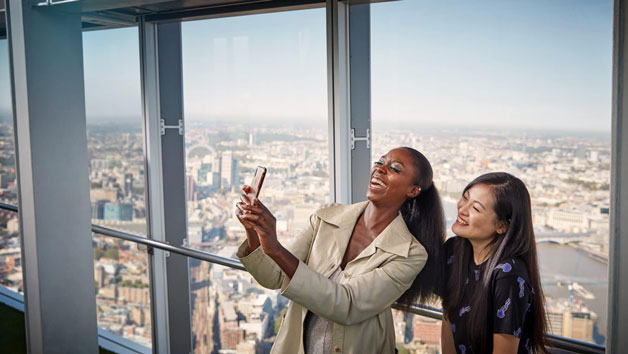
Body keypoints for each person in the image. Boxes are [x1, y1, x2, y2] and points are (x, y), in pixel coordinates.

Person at [234, 147, 445, 354]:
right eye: (380, 162)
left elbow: (347, 306)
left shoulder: (410, 254)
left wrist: (277, 249)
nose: (380, 169)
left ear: (413, 190)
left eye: (395, 169)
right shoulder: (325, 217)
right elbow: (273, 277)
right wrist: (254, 232)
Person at [441, 172, 549, 354]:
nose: (462, 209)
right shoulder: (454, 250)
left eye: (475, 208)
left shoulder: (508, 274)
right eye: (464, 198)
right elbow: (448, 317)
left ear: (501, 226)